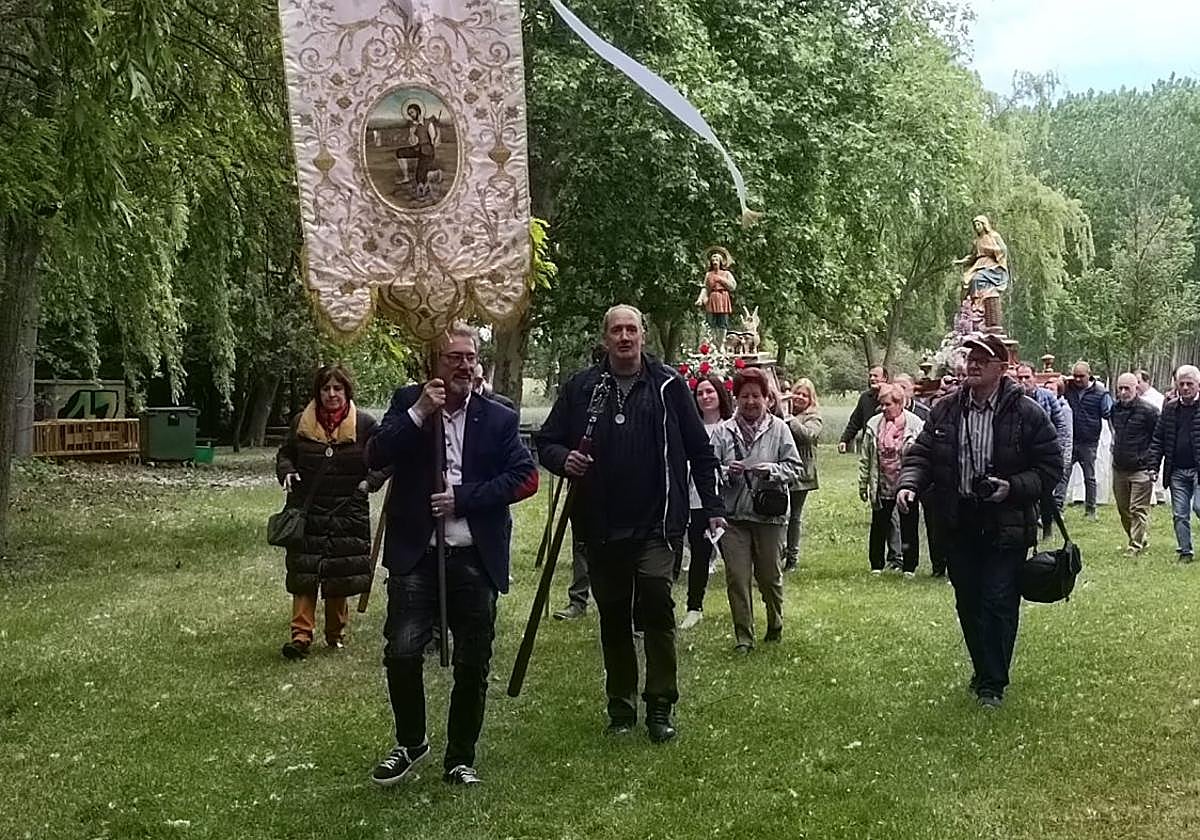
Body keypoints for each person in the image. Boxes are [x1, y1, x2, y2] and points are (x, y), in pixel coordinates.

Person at [535, 304, 726, 742]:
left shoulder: (668, 386)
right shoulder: (582, 388)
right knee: (614, 616)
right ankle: (621, 706)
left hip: (657, 523)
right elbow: (547, 441)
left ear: (643, 336)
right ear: (605, 338)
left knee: (657, 604)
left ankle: (660, 705)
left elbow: (699, 450)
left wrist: (713, 504)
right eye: (616, 330)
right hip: (601, 524)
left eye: (631, 330)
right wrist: (565, 459)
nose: (624, 337)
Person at [366, 323, 539, 787]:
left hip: (472, 555)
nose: (464, 365)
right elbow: (375, 455)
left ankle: (460, 757)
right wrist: (420, 412)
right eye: (453, 357)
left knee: (472, 661)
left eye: (470, 357)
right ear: (434, 362)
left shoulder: (498, 417)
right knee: (402, 652)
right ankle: (411, 742)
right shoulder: (408, 402)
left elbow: (526, 477)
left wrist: (463, 498)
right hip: (417, 553)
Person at [896, 333, 1061, 709]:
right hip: (959, 520)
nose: (972, 364)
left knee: (999, 599)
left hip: (1007, 520)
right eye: (970, 358)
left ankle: (993, 683)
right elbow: (923, 454)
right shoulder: (945, 409)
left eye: (982, 360)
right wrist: (909, 484)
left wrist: (1011, 487)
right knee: (968, 600)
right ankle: (984, 668)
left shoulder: (1027, 412)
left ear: (1001, 368)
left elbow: (1051, 466)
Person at [275, 366, 388, 660]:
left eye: (338, 388)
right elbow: (286, 454)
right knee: (304, 572)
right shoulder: (301, 422)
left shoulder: (365, 424)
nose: (332, 394)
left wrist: (369, 483)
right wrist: (287, 471)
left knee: (339, 574)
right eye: (326, 388)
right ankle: (300, 636)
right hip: (308, 507)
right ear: (318, 392)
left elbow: (386, 457)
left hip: (347, 508)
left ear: (347, 391)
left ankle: (335, 633)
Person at [712, 368, 801, 653]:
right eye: (744, 396)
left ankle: (775, 621)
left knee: (769, 577)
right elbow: (708, 471)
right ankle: (744, 637)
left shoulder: (780, 429)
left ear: (767, 398)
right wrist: (726, 472)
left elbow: (795, 469)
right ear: (735, 399)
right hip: (733, 517)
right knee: (737, 578)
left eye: (756, 396)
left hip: (769, 516)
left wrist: (771, 471)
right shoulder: (723, 432)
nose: (750, 402)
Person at [680, 374, 734, 630]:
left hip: (726, 501)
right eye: (700, 393)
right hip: (696, 500)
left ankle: (742, 607)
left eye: (710, 391)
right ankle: (694, 607)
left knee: (733, 556)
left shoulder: (731, 427)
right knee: (699, 555)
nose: (705, 397)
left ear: (720, 394)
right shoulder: (691, 429)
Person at [860, 384, 924, 577]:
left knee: (909, 524)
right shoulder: (874, 424)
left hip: (906, 482)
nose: (884, 408)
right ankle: (876, 565)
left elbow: (921, 455)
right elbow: (866, 457)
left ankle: (909, 566)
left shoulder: (915, 424)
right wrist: (863, 483)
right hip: (882, 481)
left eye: (888, 404)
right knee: (879, 524)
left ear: (899, 404)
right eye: (882, 404)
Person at [1149, 365, 1200, 562]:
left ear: (1198, 385)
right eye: (1182, 384)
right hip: (1177, 469)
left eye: (1189, 384)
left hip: (1197, 469)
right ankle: (1185, 551)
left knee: (1198, 507)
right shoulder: (1170, 409)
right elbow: (1158, 439)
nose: (1185, 388)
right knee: (1180, 513)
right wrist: (1153, 466)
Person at [1015, 363, 1069, 538]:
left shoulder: (1047, 396)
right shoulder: (1013, 398)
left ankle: (1047, 528)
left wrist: (1058, 449)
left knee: (1046, 492)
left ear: (1035, 378)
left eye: (1027, 377)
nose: (1023, 381)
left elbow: (1060, 424)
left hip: (1044, 450)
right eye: (1020, 377)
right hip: (1022, 452)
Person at [1110, 373, 1160, 554]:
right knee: (1123, 509)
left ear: (1136, 388)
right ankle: (1138, 537)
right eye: (1120, 388)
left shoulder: (1149, 411)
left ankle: (1135, 546)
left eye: (1127, 388)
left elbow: (1157, 439)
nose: (1123, 392)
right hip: (1120, 466)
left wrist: (1152, 463)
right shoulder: (1115, 409)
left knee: (1138, 508)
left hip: (1141, 468)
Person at [1065, 361, 1114, 521]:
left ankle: (1091, 509)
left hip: (1089, 441)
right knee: (1064, 474)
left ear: (1089, 375)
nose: (1077, 379)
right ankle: (1058, 508)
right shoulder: (1068, 388)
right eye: (1075, 376)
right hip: (1071, 439)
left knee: (1089, 477)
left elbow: (1109, 414)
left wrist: (1115, 436)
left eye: (1081, 376)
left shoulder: (1100, 393)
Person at [782, 378, 822, 572]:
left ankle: (792, 556)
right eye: (797, 393)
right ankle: (779, 550)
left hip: (802, 474)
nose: (799, 397)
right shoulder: (782, 412)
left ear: (810, 398)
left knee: (794, 516)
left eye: (804, 395)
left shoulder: (813, 417)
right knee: (781, 513)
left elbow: (808, 436)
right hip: (783, 469)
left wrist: (791, 420)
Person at [838, 365, 887, 453]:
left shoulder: (892, 397)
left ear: (884, 378)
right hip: (869, 444)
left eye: (875, 376)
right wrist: (844, 440)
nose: (872, 378)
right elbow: (855, 422)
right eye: (870, 376)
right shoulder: (865, 398)